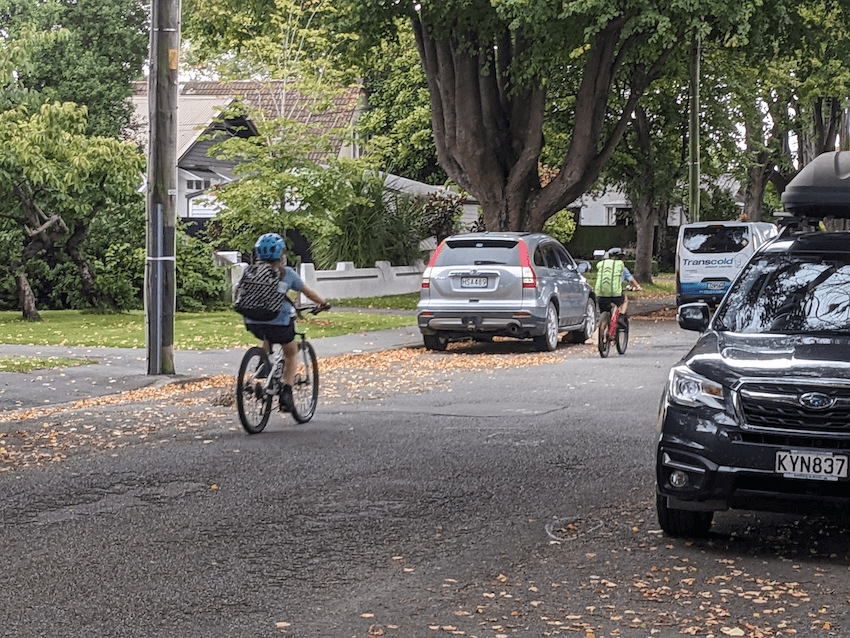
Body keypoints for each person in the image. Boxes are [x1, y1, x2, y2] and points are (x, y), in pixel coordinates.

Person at [244, 232, 329, 410]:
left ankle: (262, 367)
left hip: (252, 321)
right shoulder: (286, 273)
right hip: (279, 322)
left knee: (267, 335)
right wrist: (323, 303)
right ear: (281, 254)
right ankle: (286, 392)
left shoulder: (251, 272)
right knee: (291, 351)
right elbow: (308, 292)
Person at [594, 247, 642, 317]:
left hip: (600, 293)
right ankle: (621, 317)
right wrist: (637, 287)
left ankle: (599, 327)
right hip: (615, 293)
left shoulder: (603, 265)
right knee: (624, 300)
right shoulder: (621, 267)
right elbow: (631, 280)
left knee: (604, 311)